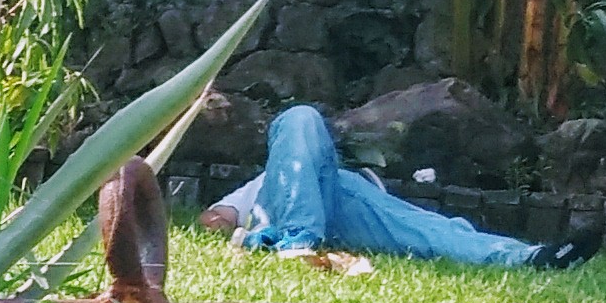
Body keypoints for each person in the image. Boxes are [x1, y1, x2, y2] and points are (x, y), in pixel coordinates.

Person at [204, 102, 574, 268]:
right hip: (282, 218)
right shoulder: (266, 185)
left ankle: (528, 256)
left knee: (430, 229)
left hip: (343, 204)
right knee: (299, 116)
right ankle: (295, 237)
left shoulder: (324, 172)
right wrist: (229, 225)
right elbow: (212, 217)